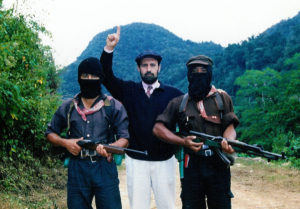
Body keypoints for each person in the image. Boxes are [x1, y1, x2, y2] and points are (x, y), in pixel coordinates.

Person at [99, 26, 183, 209]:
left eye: (152, 65)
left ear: (159, 67)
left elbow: (192, 108)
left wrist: (213, 93)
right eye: (144, 65)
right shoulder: (128, 91)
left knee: (167, 205)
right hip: (136, 161)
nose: (149, 69)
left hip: (165, 161)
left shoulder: (174, 95)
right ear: (138, 68)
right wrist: (109, 49)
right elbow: (106, 77)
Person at [153, 55, 240, 209]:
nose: (199, 74)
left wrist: (228, 141)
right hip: (191, 166)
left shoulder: (222, 98)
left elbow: (230, 126)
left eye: (203, 71)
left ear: (210, 74)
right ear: (188, 75)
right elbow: (158, 128)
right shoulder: (179, 103)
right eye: (194, 71)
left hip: (218, 164)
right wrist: (182, 141)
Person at [45, 57, 129, 209]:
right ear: (79, 78)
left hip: (105, 167)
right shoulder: (68, 107)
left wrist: (109, 148)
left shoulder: (113, 106)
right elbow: (50, 133)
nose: (89, 80)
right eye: (85, 76)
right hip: (77, 168)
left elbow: (124, 138)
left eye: (94, 76)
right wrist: (65, 143)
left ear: (101, 78)